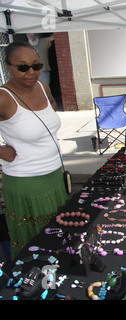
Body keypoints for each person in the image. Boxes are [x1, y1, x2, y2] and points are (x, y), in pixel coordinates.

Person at [0, 41, 68, 259]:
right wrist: (2, 152)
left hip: (54, 176)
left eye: (36, 66)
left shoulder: (43, 87)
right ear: (8, 67)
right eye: (23, 67)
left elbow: (50, 107)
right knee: (35, 242)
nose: (31, 72)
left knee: (57, 234)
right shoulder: (3, 97)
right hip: (26, 182)